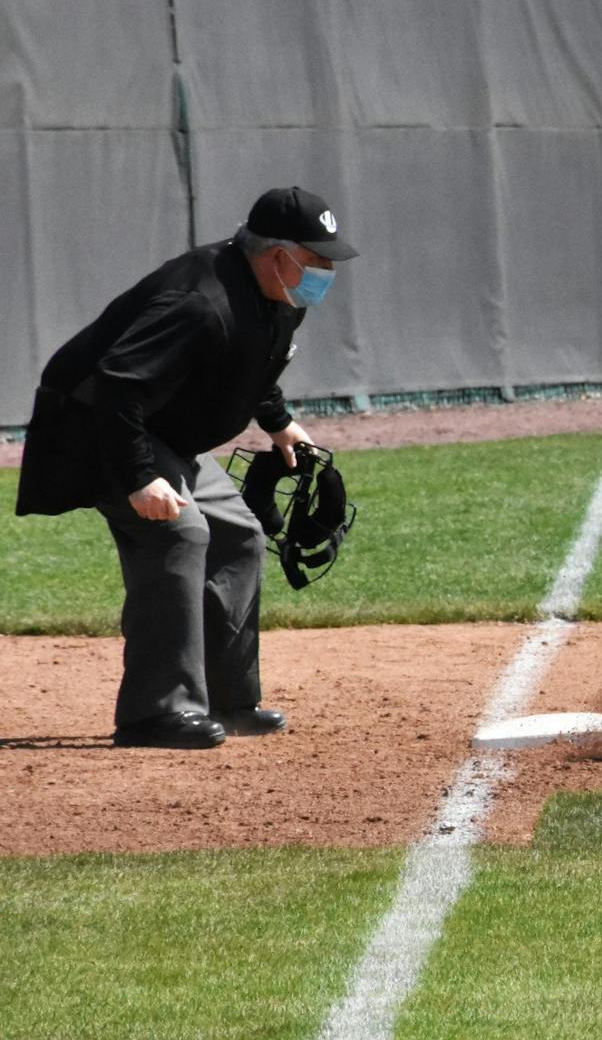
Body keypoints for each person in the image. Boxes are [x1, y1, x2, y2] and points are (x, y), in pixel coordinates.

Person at [14, 186, 359, 748]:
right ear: (279, 255)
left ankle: (229, 700)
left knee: (239, 536)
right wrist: (139, 477)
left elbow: (250, 367)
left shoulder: (277, 296)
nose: (326, 272)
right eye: (318, 259)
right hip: (97, 424)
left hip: (166, 432)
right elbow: (118, 385)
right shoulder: (201, 301)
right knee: (177, 533)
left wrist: (278, 421)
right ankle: (156, 714)